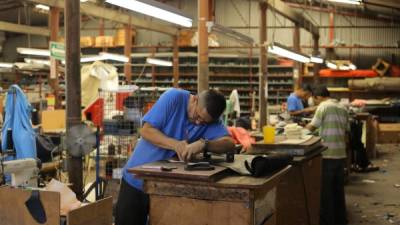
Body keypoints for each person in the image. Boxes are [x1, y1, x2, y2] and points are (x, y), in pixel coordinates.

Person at [115, 88, 235, 225]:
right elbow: (146, 130)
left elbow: (230, 144)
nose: (198, 123)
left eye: (204, 122)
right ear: (194, 99)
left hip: (164, 188)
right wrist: (175, 144)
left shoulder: (209, 120)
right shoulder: (174, 98)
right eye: (197, 116)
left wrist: (205, 144)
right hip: (136, 181)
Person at [305, 86, 349, 225]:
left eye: (314, 98)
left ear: (317, 96)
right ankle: (341, 220)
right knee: (338, 190)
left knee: (326, 192)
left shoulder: (323, 106)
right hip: (340, 154)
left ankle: (328, 222)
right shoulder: (342, 107)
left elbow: (313, 126)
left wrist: (298, 129)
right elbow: (346, 132)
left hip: (327, 154)